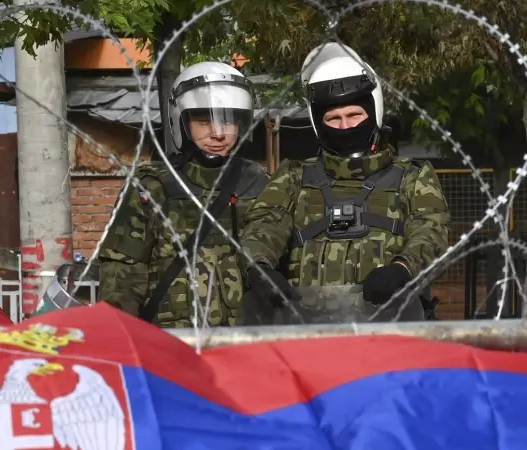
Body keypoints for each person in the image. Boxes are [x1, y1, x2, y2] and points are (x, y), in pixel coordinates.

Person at [240, 43, 450, 324]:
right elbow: (264, 226)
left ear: (373, 113)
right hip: (309, 333)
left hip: (390, 331)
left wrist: (403, 267)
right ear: (318, 123)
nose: (345, 126)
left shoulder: (412, 176)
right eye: (333, 118)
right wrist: (260, 268)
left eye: (354, 115)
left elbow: (431, 231)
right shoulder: (293, 177)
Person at [96, 61, 269, 328]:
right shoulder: (152, 186)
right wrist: (121, 339)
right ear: (181, 121)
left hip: (247, 344)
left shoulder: (260, 184)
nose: (218, 133)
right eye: (204, 121)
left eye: (228, 120)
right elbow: (122, 273)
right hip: (172, 344)